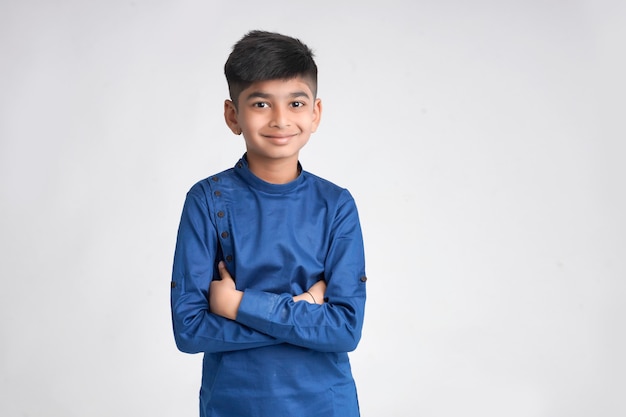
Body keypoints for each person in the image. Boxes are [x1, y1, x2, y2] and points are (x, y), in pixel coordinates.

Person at [170, 30, 367, 417]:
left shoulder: (336, 205)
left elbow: (344, 329)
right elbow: (189, 330)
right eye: (261, 103)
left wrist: (238, 304)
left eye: (295, 103)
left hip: (325, 405)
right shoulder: (207, 201)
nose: (280, 119)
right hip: (235, 404)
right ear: (233, 115)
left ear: (315, 113)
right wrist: (306, 307)